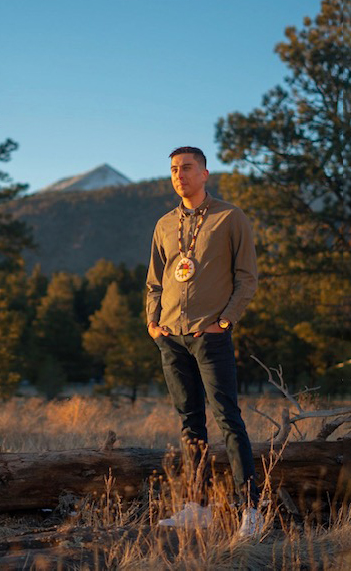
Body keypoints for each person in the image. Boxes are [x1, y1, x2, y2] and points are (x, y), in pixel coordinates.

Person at [146, 146, 263, 537]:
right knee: (189, 423)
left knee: (229, 420)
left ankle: (251, 510)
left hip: (210, 337)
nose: (180, 175)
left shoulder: (230, 217)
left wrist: (224, 321)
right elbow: (154, 281)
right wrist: (153, 322)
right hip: (172, 338)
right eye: (175, 169)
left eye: (188, 168)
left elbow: (247, 278)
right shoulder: (164, 224)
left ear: (205, 173)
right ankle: (196, 507)